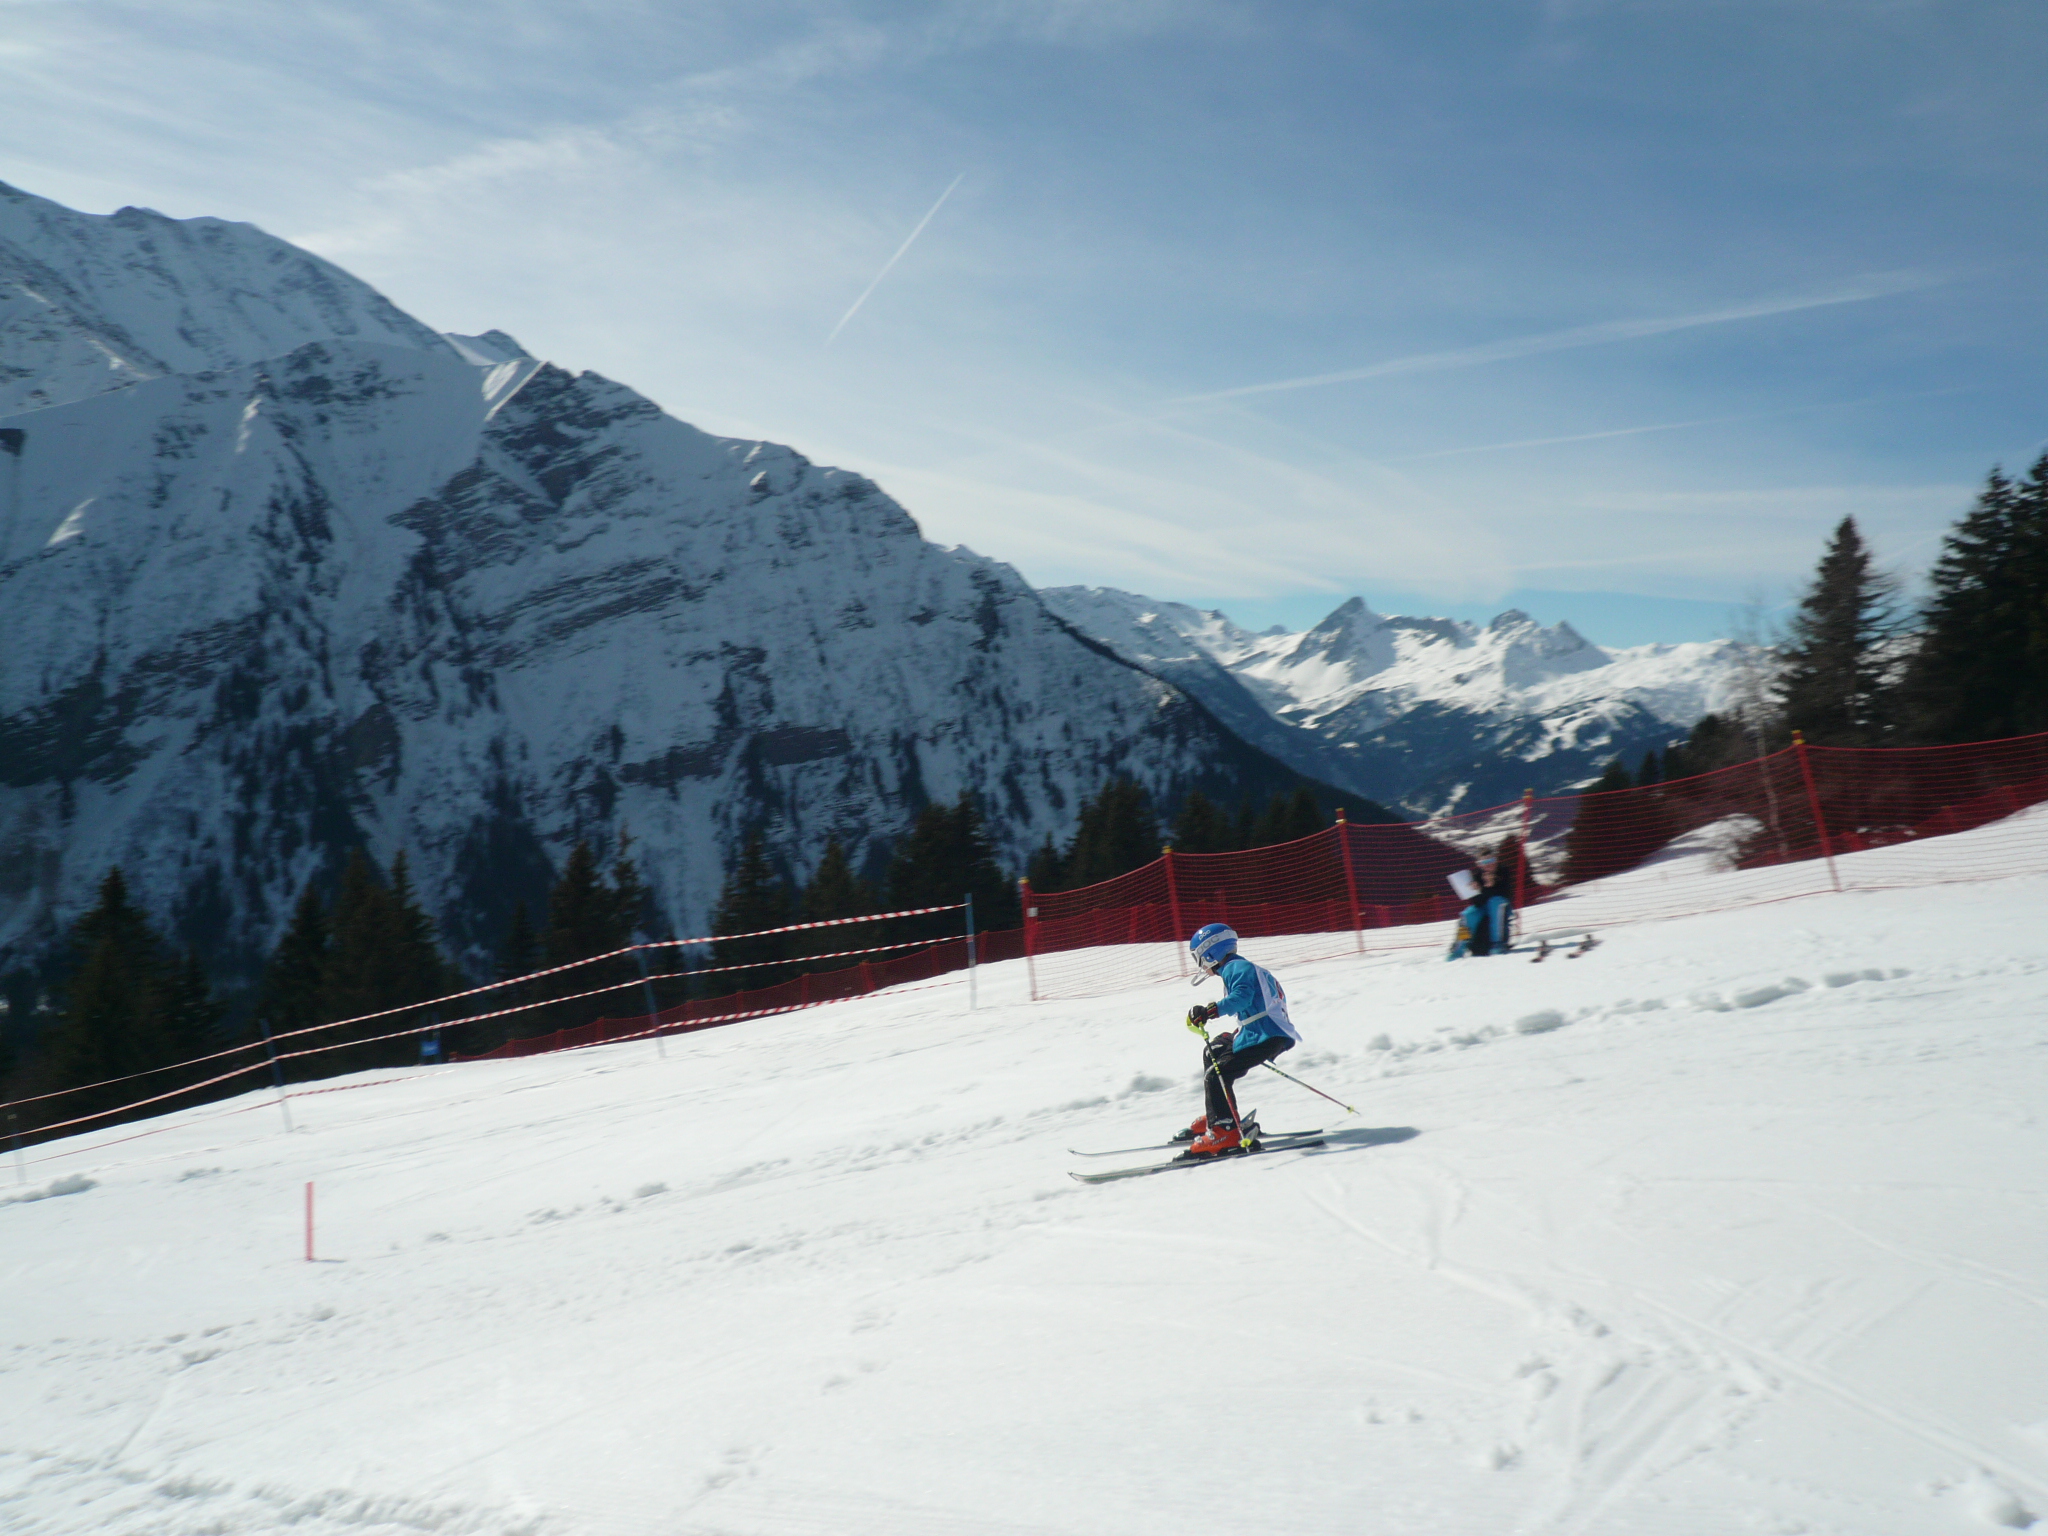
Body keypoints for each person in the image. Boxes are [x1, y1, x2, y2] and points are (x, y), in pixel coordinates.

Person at [1175, 923, 1301, 1156]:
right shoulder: (1237, 967)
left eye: (1199, 958)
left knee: (1217, 1074)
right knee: (1213, 1050)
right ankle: (1219, 1116)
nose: (1200, 965)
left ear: (1211, 952)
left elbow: (1241, 998)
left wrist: (1210, 1011)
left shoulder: (1236, 968)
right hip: (1260, 1032)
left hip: (1265, 1035)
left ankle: (1225, 1132)